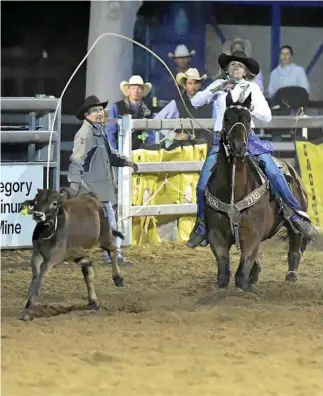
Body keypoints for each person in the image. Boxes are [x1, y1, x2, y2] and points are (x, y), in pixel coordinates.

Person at [186, 50, 315, 248]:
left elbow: (267, 115)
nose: (236, 67)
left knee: (272, 170)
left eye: (240, 65)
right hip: (221, 140)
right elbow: (195, 102)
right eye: (232, 65)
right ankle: (202, 225)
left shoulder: (252, 88)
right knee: (202, 184)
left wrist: (247, 109)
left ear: (245, 71)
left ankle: (295, 214)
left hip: (248, 138)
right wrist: (217, 88)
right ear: (227, 69)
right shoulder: (218, 87)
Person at [68, 95, 137, 265]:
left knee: (93, 222)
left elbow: (109, 154)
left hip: (96, 187)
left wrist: (125, 161)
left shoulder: (97, 131)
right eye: (95, 111)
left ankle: (105, 254)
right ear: (86, 115)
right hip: (92, 188)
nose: (99, 113)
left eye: (100, 110)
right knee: (107, 220)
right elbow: (77, 160)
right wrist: (75, 188)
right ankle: (114, 256)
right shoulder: (86, 134)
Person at [154, 68, 214, 146]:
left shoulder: (209, 102)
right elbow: (156, 120)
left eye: (196, 83)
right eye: (190, 83)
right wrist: (174, 135)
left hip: (206, 148)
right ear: (184, 86)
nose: (193, 86)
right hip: (185, 150)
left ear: (200, 85)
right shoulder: (177, 103)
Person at [105, 75, 155, 150]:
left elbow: (150, 134)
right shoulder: (117, 107)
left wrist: (150, 151)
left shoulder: (148, 110)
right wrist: (114, 151)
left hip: (141, 153)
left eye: (139, 88)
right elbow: (110, 131)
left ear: (142, 91)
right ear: (128, 90)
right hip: (121, 152)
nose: (136, 91)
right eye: (133, 88)